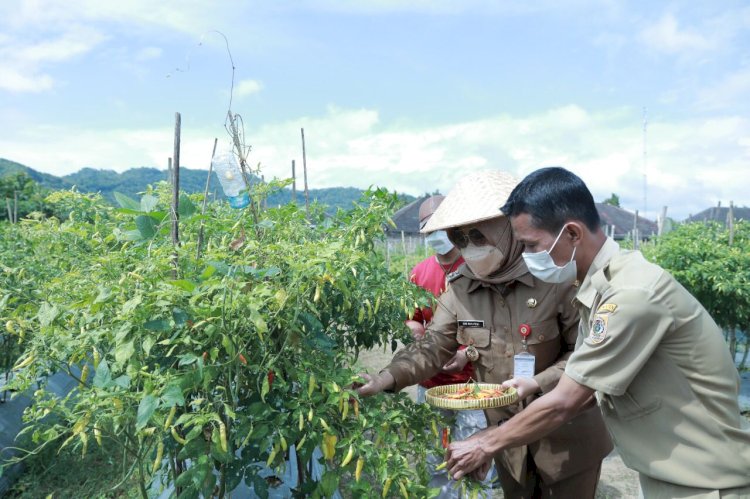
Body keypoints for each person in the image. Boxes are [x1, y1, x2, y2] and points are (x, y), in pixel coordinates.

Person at [445, 166, 750, 499]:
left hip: (710, 483)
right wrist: (533, 386)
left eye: (532, 246)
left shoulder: (630, 294)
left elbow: (565, 402)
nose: (527, 258)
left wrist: (485, 442)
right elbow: (591, 387)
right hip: (679, 475)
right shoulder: (598, 288)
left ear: (572, 234)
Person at [358, 170, 612, 498]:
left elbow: (583, 355)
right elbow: (432, 346)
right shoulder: (462, 288)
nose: (469, 248)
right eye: (460, 239)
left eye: (478, 237)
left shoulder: (556, 277)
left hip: (565, 440)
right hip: (507, 444)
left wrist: (540, 381)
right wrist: (385, 379)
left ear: (508, 229)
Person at [406, 195, 496, 497]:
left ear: (454, 228)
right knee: (435, 449)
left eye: (439, 228)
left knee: (473, 449)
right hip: (430, 382)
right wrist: (420, 336)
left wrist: (461, 354)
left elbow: (494, 325)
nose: (434, 236)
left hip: (473, 382)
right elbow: (412, 318)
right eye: (427, 230)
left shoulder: (480, 270)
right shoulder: (419, 273)